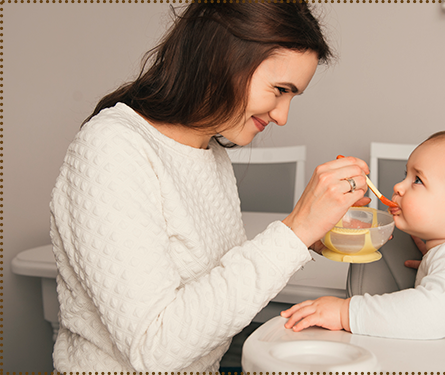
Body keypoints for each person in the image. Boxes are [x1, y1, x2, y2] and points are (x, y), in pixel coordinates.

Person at [49, 3, 372, 372]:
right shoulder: (111, 148)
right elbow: (155, 348)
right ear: (224, 59)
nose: (282, 116)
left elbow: (213, 291)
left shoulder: (208, 150)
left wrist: (308, 234)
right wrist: (294, 231)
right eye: (280, 89)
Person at [281, 129, 445, 339]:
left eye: (417, 180)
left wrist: (345, 313)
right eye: (405, 175)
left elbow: (430, 316)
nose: (399, 186)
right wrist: (434, 260)